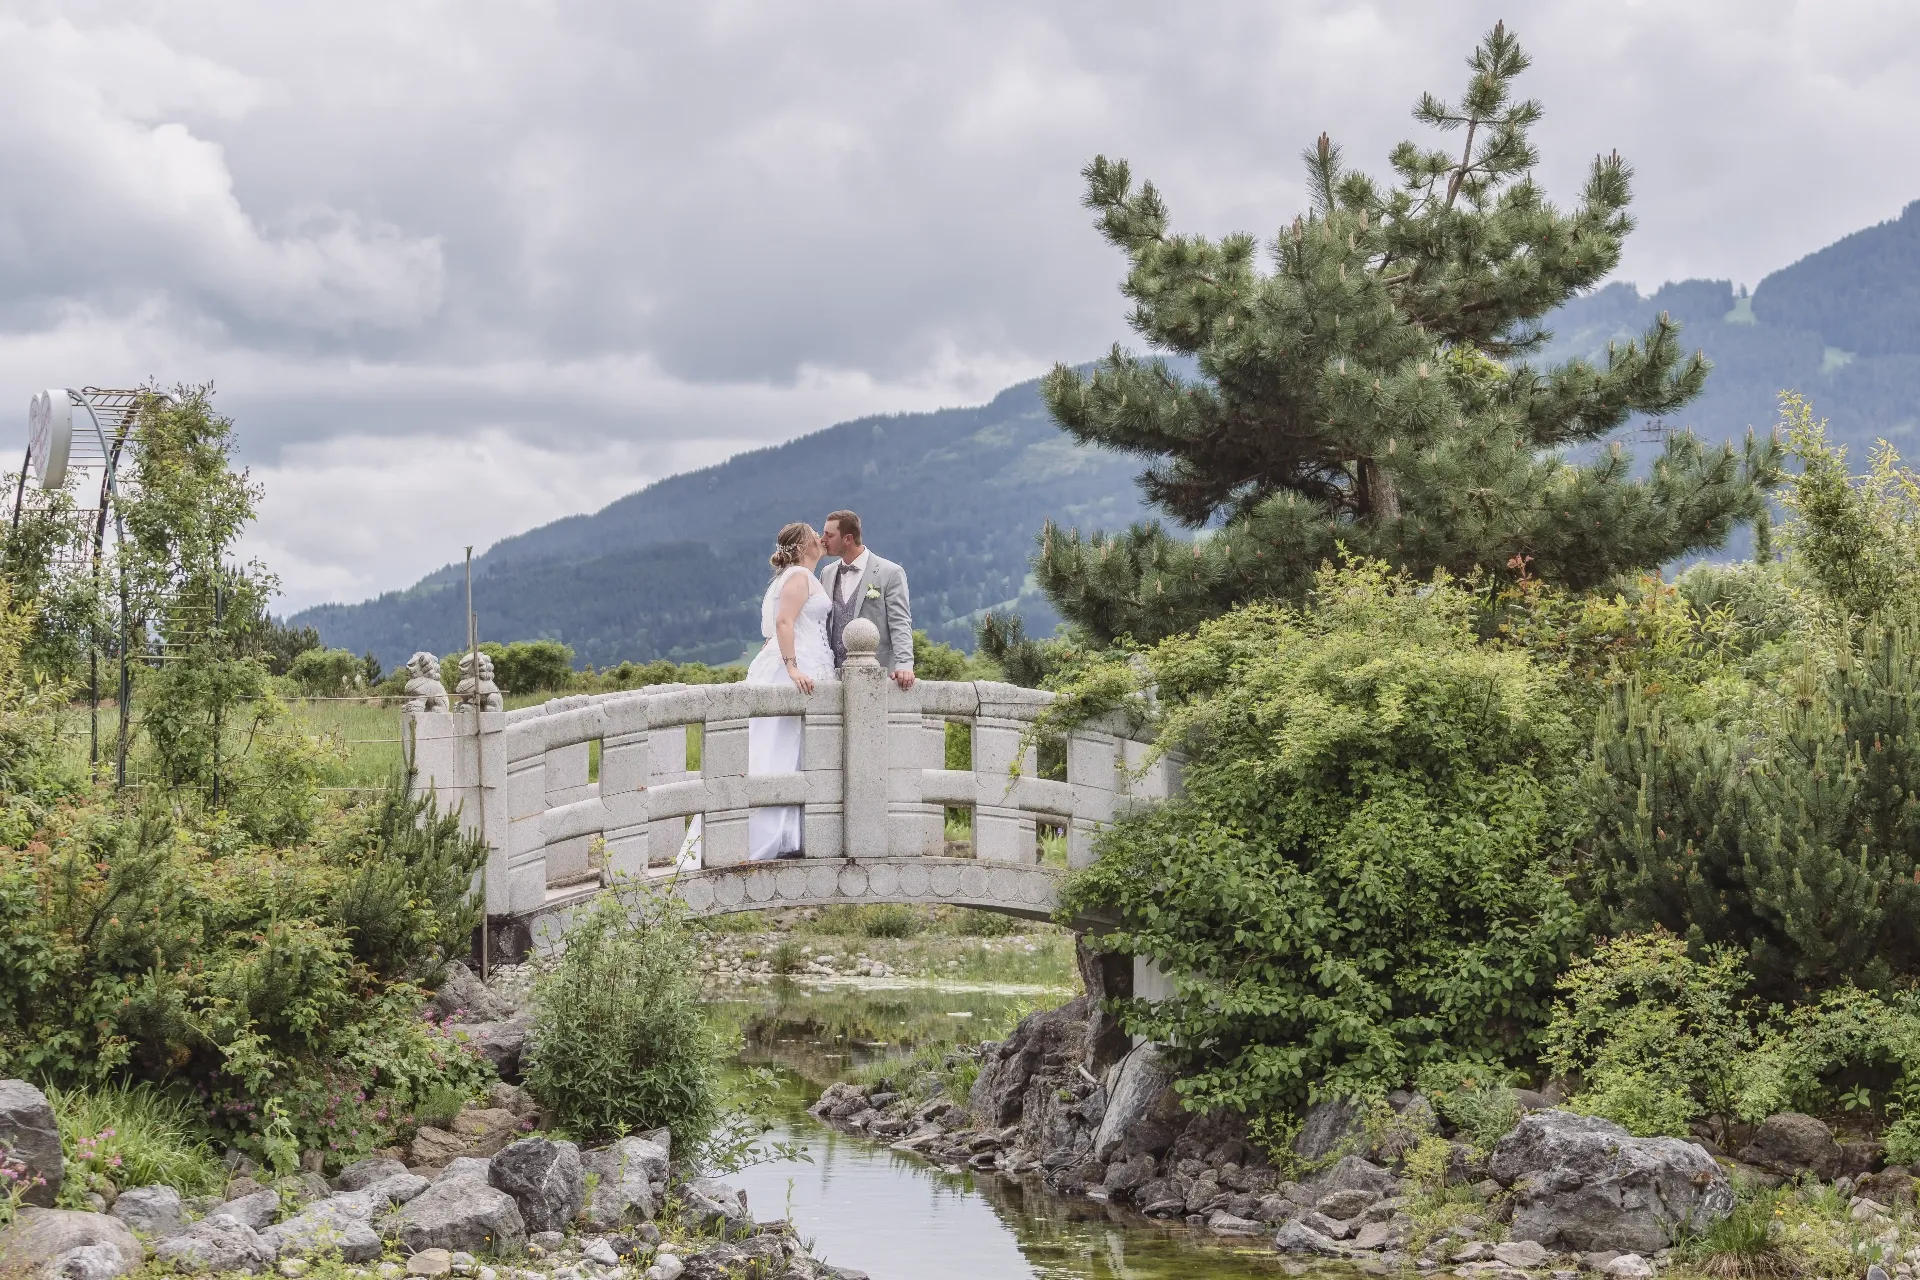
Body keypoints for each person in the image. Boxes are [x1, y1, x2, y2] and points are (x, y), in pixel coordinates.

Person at [678, 522, 833, 869]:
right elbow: (783, 623)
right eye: (814, 535)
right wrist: (792, 666)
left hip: (812, 661)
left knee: (795, 750)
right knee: (776, 748)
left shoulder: (801, 576)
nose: (820, 539)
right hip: (799, 665)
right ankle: (759, 835)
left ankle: (789, 834)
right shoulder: (798, 577)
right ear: (804, 544)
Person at [819, 509, 915, 690]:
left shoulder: (890, 572)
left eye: (829, 535)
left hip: (876, 675)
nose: (822, 540)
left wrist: (904, 665)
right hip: (833, 677)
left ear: (848, 539)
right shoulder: (827, 573)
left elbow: (900, 622)